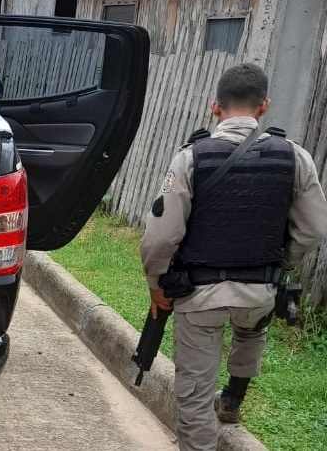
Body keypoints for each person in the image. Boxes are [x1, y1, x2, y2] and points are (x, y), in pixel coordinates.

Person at [139, 63, 327, 451]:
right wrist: (280, 264)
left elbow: (160, 238)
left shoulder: (191, 158)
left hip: (200, 297)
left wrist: (156, 283)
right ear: (264, 107)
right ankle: (234, 399)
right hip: (260, 294)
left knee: (193, 395)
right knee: (249, 330)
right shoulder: (296, 158)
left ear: (215, 108)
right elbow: (313, 230)